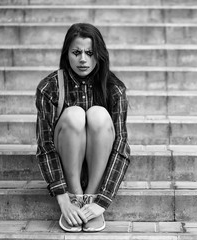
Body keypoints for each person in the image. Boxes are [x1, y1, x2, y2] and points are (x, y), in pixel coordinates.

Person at [35, 23, 131, 232]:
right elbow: (45, 145)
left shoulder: (114, 89)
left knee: (98, 114)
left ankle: (91, 197)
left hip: (99, 168)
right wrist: (63, 199)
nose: (83, 59)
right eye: (76, 52)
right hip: (67, 165)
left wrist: (102, 201)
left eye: (90, 52)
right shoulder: (49, 87)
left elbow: (121, 145)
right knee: (74, 114)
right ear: (66, 54)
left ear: (99, 55)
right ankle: (75, 197)